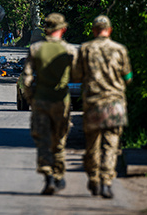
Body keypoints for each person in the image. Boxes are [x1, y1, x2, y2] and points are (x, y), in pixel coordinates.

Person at [73, 15, 132, 199]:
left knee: (93, 146)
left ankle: (94, 179)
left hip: (93, 104)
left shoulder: (85, 49)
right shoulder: (120, 49)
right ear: (110, 30)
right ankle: (106, 183)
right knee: (111, 145)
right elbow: (128, 77)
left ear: (93, 30)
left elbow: (76, 75)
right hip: (114, 104)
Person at [21, 13, 78, 195]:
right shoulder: (70, 50)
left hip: (41, 101)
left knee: (43, 140)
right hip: (61, 101)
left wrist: (31, 99)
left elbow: (26, 79)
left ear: (45, 29)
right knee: (59, 140)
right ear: (63, 29)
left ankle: (48, 177)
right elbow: (78, 75)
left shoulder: (36, 49)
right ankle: (59, 175)